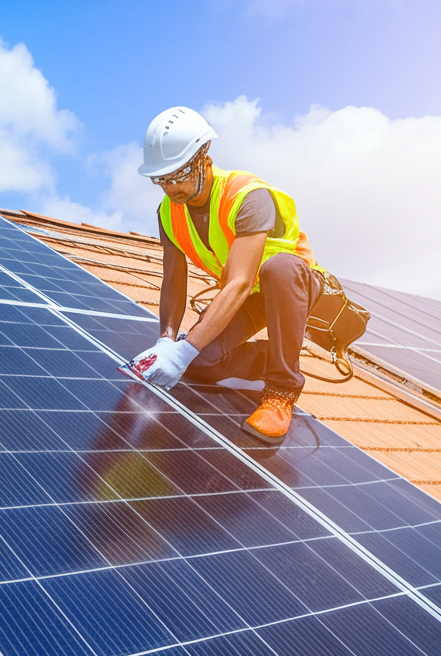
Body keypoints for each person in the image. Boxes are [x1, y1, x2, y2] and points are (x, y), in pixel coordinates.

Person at [131, 106, 325, 444]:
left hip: (293, 285)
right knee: (199, 362)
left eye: (179, 175)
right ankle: (272, 357)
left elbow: (240, 282)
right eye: (161, 179)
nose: (171, 188)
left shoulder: (247, 195)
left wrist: (183, 347)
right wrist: (167, 341)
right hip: (251, 297)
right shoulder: (168, 212)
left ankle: (281, 391)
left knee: (278, 267)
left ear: (204, 160)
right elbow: (173, 278)